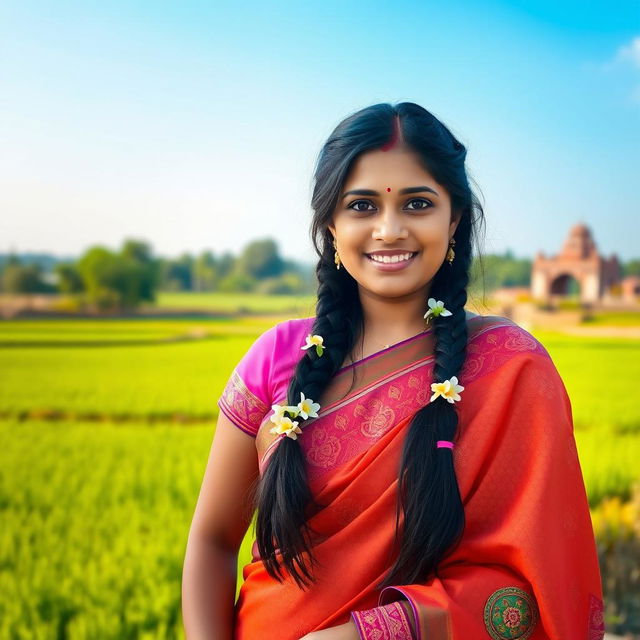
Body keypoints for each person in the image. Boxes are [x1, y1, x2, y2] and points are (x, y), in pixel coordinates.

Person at [181, 102, 605, 640]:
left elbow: (536, 586)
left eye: (418, 203)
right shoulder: (275, 358)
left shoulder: (511, 367)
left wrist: (372, 633)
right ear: (330, 224)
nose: (389, 229)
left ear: (453, 220)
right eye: (361, 205)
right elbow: (213, 541)